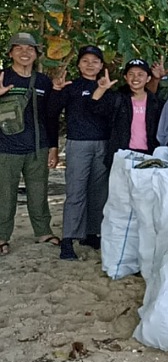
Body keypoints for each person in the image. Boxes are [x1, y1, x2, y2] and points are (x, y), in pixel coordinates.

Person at [47, 45, 112, 260]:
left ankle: (92, 233)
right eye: (85, 60)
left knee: (98, 193)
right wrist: (56, 91)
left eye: (95, 61)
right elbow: (51, 112)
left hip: (102, 144)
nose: (90, 64)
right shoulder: (70, 86)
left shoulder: (107, 86)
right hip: (78, 144)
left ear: (102, 65)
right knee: (76, 193)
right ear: (78, 64)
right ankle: (68, 240)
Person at [0, 32, 60, 255]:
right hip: (6, 149)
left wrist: (53, 146)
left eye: (30, 49)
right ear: (10, 53)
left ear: (36, 54)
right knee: (5, 195)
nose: (24, 53)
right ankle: (2, 237)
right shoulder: (2, 77)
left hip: (38, 147)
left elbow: (50, 116)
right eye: (19, 48)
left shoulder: (43, 81)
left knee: (39, 192)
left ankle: (43, 231)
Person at [89, 59, 164, 166]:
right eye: (131, 74)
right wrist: (101, 89)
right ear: (125, 77)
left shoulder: (156, 103)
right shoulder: (118, 99)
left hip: (150, 155)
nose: (135, 78)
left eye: (140, 74)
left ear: (148, 78)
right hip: (123, 154)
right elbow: (94, 108)